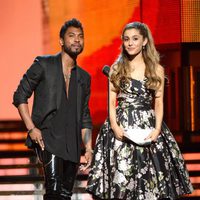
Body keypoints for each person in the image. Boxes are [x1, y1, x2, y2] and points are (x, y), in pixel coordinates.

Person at [86, 22, 193, 200]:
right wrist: (114, 126)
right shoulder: (116, 68)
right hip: (120, 126)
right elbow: (111, 100)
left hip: (147, 126)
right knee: (122, 179)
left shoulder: (156, 69)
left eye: (135, 39)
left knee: (149, 178)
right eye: (126, 39)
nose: (130, 43)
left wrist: (157, 129)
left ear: (144, 41)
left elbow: (158, 102)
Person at [13, 18, 93, 200]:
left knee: (65, 195)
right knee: (54, 191)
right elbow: (20, 95)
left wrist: (88, 148)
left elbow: (85, 116)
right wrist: (31, 128)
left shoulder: (84, 78)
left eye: (80, 37)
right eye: (71, 36)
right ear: (61, 41)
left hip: (72, 144)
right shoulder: (43, 64)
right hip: (48, 138)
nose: (77, 40)